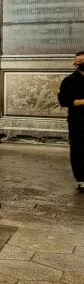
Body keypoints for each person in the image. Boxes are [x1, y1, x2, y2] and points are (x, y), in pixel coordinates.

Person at [58, 51, 84, 193]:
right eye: (78, 62)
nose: (80, 64)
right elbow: (64, 101)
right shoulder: (69, 81)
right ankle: (81, 179)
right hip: (78, 121)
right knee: (78, 150)